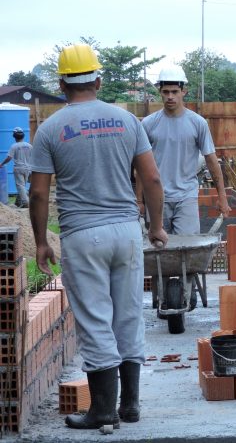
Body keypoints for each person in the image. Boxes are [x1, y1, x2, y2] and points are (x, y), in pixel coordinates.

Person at [28, 44, 167, 430]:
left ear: (61, 84)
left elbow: (38, 193)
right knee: (128, 315)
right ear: (99, 79)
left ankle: (103, 410)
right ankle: (131, 405)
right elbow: (152, 179)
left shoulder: (51, 129)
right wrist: (156, 226)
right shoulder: (126, 121)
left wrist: (41, 241)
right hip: (126, 231)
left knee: (94, 320)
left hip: (82, 234)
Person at [140, 66, 230, 234]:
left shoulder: (197, 123)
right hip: (156, 197)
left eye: (174, 91)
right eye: (166, 92)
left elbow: (211, 161)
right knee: (159, 248)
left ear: (184, 92)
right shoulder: (148, 124)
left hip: (186, 196)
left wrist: (222, 198)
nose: (170, 97)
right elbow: (140, 165)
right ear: (160, 92)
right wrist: (139, 200)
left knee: (188, 245)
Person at [0, 127, 32, 208]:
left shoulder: (14, 146)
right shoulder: (29, 146)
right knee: (23, 186)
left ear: (14, 136)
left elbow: (9, 157)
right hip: (28, 168)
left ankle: (26, 203)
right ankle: (18, 203)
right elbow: (35, 157)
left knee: (20, 186)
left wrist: (2, 164)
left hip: (19, 168)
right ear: (23, 136)